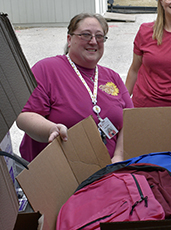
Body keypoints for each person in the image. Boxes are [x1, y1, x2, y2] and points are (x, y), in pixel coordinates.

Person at [16, 13, 133, 163]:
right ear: (69, 39)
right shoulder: (47, 69)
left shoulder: (112, 77)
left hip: (109, 171)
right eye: (85, 35)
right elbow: (24, 116)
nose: (93, 41)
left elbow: (130, 121)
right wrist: (51, 129)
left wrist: (119, 156)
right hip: (61, 171)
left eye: (99, 36)